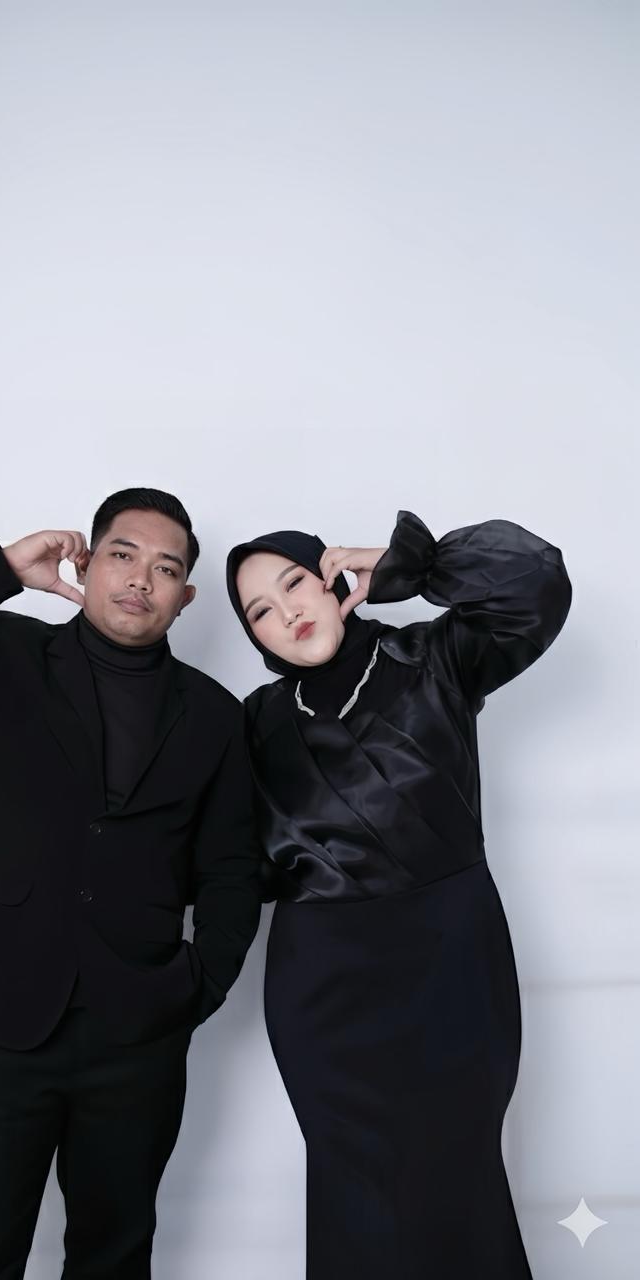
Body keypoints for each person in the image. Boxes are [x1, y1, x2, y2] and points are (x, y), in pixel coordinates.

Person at [0, 487, 261, 1280]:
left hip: (137, 1031)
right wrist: (1, 570)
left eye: (165, 568)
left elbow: (232, 869)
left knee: (115, 1256)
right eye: (123, 555)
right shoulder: (2, 653)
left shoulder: (215, 716)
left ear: (184, 597)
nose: (140, 578)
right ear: (88, 563)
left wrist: (197, 987)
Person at [225, 508, 572, 1280]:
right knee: (355, 1197)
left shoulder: (431, 657)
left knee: (460, 1176)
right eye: (260, 611)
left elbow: (536, 582)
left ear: (333, 579)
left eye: (295, 583)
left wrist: (411, 567)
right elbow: (230, 859)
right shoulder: (256, 722)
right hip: (323, 984)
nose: (287, 611)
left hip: (451, 956)